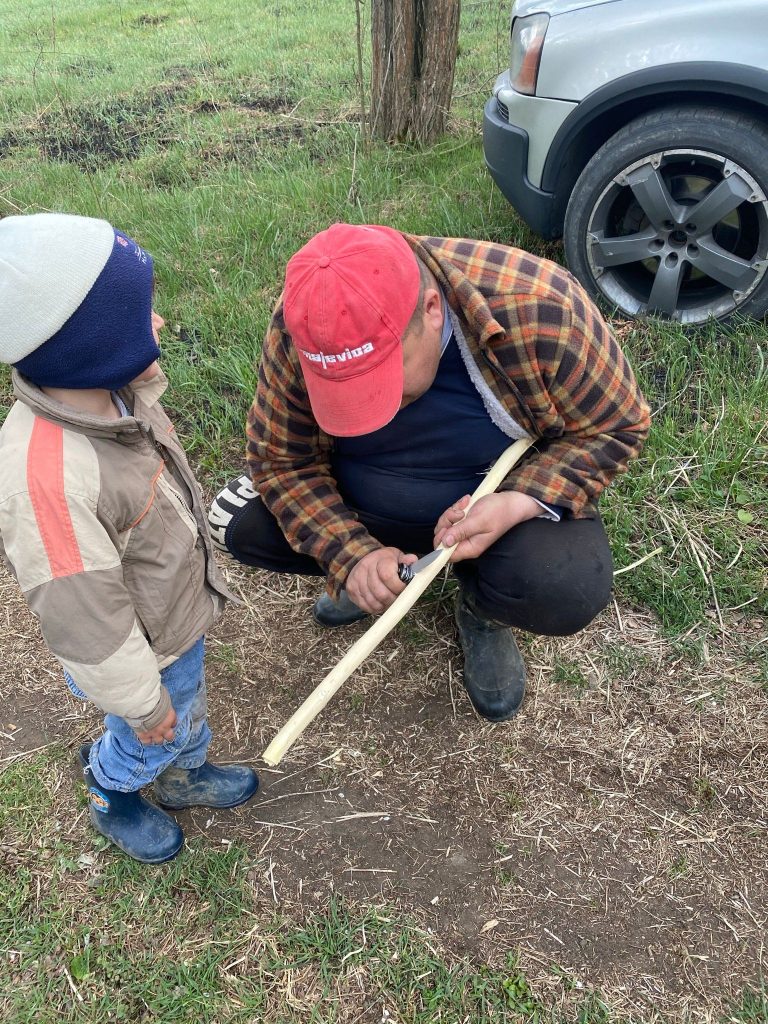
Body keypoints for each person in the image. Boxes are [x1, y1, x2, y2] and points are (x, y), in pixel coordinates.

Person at [210, 224, 651, 722]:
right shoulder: (313, 320)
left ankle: (483, 609)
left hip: (491, 498)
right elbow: (279, 460)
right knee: (237, 519)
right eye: (346, 395)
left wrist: (519, 502)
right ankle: (380, 576)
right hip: (364, 495)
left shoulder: (540, 306)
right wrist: (350, 554)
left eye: (384, 383)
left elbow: (616, 425)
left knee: (564, 584)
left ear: (431, 310)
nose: (374, 414)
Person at [0, 213, 258, 864]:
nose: (161, 324)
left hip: (172, 614)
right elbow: (86, 620)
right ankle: (112, 787)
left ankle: (179, 771)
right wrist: (141, 704)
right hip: (137, 651)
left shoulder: (117, 396)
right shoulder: (45, 482)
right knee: (158, 724)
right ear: (89, 342)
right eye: (140, 315)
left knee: (187, 703)